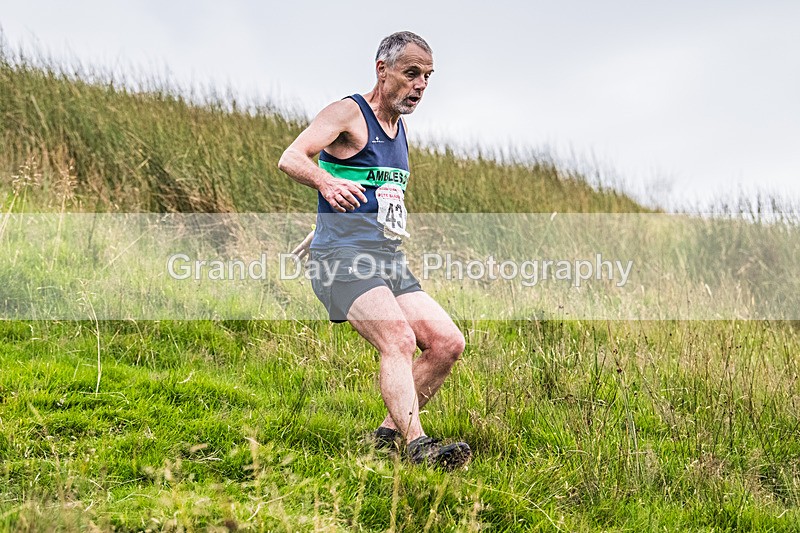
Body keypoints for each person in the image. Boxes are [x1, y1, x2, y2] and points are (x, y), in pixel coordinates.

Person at [278, 31, 470, 470]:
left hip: (385, 258)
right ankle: (419, 447)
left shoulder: (399, 129)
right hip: (342, 259)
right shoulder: (348, 113)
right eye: (411, 73)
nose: (420, 85)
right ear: (382, 70)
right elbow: (292, 157)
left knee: (446, 343)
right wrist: (325, 186)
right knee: (399, 339)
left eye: (428, 76)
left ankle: (385, 436)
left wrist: (324, 219)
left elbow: (373, 192)